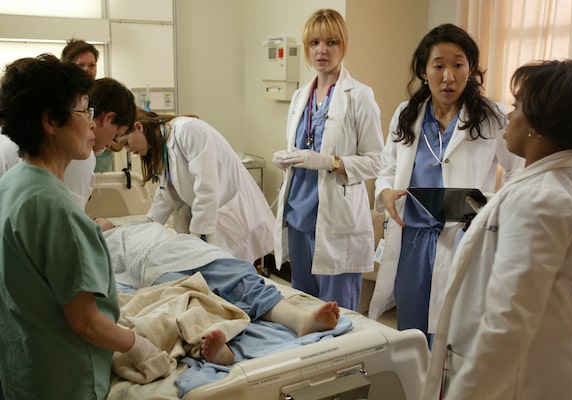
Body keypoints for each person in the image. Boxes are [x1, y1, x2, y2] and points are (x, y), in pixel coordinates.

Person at [422, 59, 572, 399]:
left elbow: (507, 323)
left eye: (517, 106)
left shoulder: (540, 200)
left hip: (526, 379)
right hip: (564, 366)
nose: (508, 115)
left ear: (539, 125)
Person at [0, 54, 167, 400]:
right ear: (51, 121)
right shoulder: (57, 209)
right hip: (64, 380)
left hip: (22, 371)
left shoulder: (12, 184)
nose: (92, 124)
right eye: (84, 111)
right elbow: (87, 322)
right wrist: (139, 346)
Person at [368, 23, 524, 344]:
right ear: (423, 71)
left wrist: (491, 207)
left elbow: (517, 171)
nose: (448, 77)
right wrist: (385, 191)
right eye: (438, 66)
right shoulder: (407, 114)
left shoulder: (493, 117)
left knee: (455, 336)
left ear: (471, 68)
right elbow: (388, 166)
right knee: (411, 333)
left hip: (464, 238)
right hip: (412, 239)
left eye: (458, 65)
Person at [100, 221, 341, 366]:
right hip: (152, 266)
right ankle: (213, 346)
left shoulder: (147, 225)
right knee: (187, 299)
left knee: (243, 280)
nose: (97, 221)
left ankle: (300, 320)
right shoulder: (98, 245)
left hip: (188, 249)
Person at [271, 9, 383, 311]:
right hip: (298, 214)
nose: (322, 50)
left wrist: (329, 162)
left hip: (336, 219)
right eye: (315, 43)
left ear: (343, 45)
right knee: (304, 307)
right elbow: (302, 145)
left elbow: (376, 161)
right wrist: (287, 159)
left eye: (331, 42)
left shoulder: (359, 96)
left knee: (337, 311)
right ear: (307, 48)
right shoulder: (300, 97)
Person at [115, 109, 275, 264]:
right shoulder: (162, 147)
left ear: (139, 127)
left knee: (235, 271)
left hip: (232, 219)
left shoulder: (188, 130)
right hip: (212, 223)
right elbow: (166, 194)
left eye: (126, 143)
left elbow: (206, 188)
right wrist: (146, 226)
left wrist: (195, 238)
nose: (129, 150)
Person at [64, 77, 136, 209]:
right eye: (115, 136)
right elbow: (69, 214)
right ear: (108, 118)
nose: (109, 144)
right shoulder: (79, 153)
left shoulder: (61, 142)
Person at [61, 37, 123, 172]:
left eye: (92, 65)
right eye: (80, 65)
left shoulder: (103, 94)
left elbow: (119, 141)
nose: (86, 70)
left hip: (99, 166)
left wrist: (108, 140)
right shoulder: (62, 100)